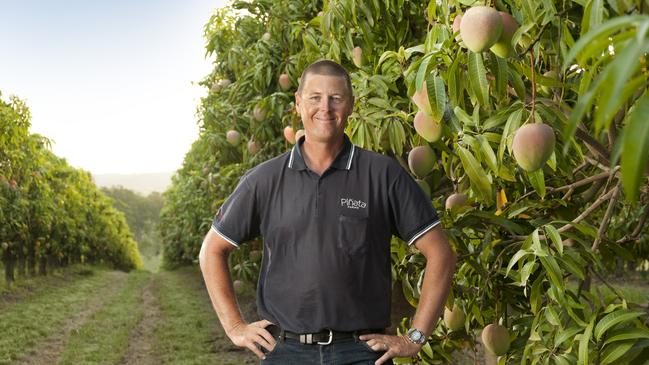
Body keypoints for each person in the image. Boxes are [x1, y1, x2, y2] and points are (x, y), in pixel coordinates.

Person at [198, 59, 456, 365]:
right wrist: (235, 326)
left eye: (336, 98)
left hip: (360, 353)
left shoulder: (383, 175)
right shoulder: (264, 180)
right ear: (298, 103)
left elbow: (441, 252)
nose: (325, 107)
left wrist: (415, 336)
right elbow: (212, 250)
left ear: (351, 105)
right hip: (285, 350)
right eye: (315, 97)